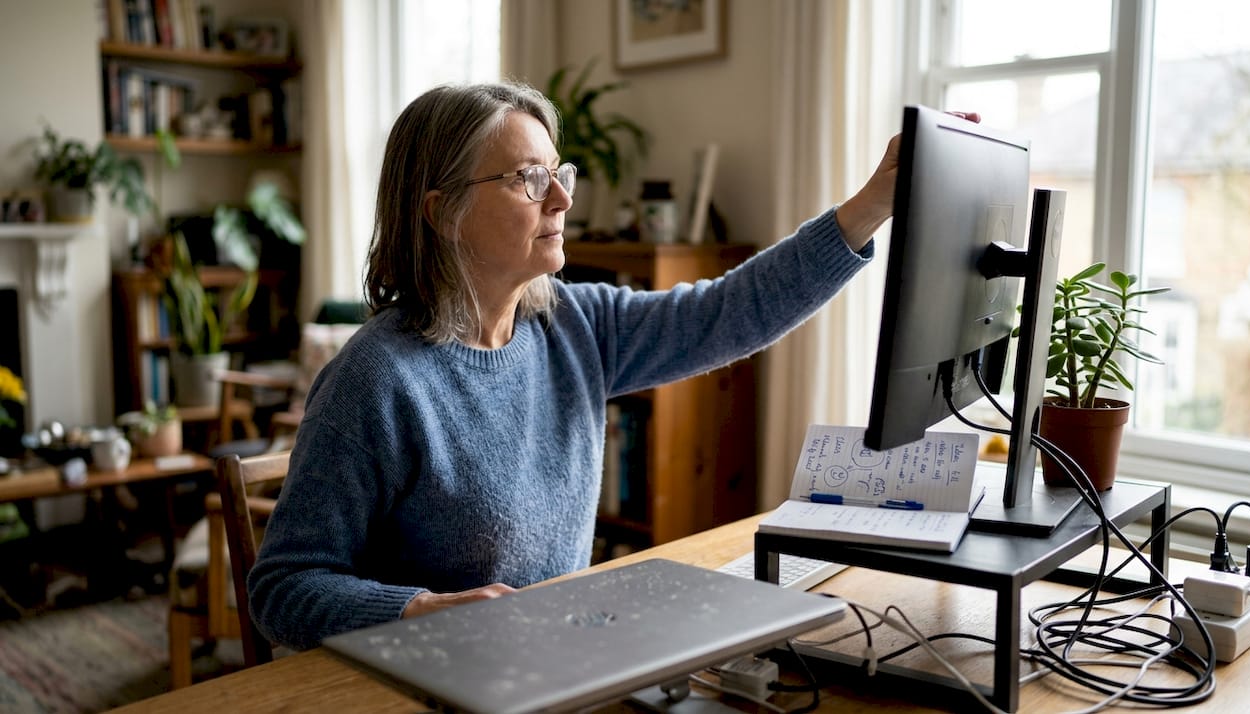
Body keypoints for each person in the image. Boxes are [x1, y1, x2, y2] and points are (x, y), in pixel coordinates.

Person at [249, 80, 965, 651]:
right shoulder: (377, 378)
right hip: (424, 682)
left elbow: (730, 311)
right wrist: (422, 611)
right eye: (530, 179)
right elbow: (283, 586)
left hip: (550, 658)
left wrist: (874, 205)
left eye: (559, 172)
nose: (562, 197)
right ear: (442, 212)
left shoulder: (575, 322)